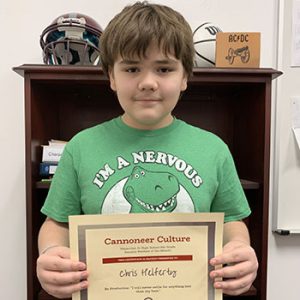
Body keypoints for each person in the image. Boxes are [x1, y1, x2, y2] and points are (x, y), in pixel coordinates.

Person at [36, 1, 258, 299]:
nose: (148, 83)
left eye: (164, 68)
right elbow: (57, 222)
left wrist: (240, 250)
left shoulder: (213, 149)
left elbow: (232, 220)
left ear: (184, 77)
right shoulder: (80, 147)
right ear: (112, 77)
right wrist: (52, 253)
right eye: (131, 68)